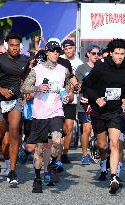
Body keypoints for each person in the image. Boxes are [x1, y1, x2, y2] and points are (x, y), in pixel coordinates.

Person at [21, 40, 74, 193]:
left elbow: (69, 85)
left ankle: (51, 164)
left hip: (56, 111)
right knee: (38, 149)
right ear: (46, 53)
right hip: (39, 114)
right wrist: (38, 87)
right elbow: (24, 87)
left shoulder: (63, 69)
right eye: (53, 51)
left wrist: (68, 95)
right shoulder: (37, 70)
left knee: (57, 140)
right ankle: (37, 178)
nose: (56, 53)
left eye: (58, 51)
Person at [82, 39, 125, 194]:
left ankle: (114, 177)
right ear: (111, 53)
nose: (120, 56)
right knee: (102, 145)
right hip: (99, 111)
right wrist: (96, 98)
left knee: (115, 143)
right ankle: (103, 164)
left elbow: (124, 91)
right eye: (117, 53)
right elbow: (86, 85)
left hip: (115, 112)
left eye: (122, 54)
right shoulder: (101, 67)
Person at [0, 33, 28, 186]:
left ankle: (12, 171)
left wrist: (26, 91)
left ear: (20, 46)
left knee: (15, 131)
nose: (14, 48)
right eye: (12, 45)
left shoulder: (25, 60)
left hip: (15, 100)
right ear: (7, 45)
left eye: (17, 46)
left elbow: (25, 77)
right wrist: (1, 90)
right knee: (0, 135)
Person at [75, 44, 100, 165]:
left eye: (98, 53)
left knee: (98, 130)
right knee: (87, 128)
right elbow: (77, 86)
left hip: (98, 104)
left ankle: (95, 147)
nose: (96, 56)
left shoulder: (102, 68)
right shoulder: (81, 68)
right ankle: (84, 155)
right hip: (84, 103)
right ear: (88, 54)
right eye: (94, 53)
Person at [60, 39, 83, 164]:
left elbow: (78, 82)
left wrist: (73, 93)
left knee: (68, 127)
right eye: (66, 48)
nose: (68, 50)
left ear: (74, 48)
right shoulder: (59, 60)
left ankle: (64, 153)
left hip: (72, 99)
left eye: (70, 48)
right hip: (58, 99)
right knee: (60, 127)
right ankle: (56, 151)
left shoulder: (79, 63)